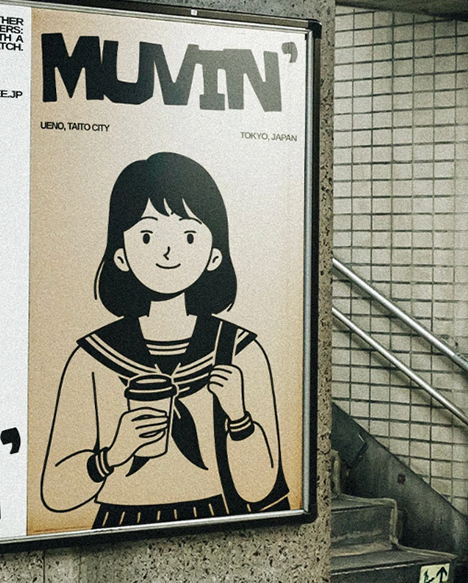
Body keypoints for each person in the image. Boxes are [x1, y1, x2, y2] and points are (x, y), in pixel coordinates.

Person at [40, 152, 285, 526]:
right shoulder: (93, 358)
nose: (168, 251)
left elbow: (259, 488)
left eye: (189, 235)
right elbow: (55, 493)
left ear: (214, 256)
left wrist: (239, 418)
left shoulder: (239, 351)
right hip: (117, 523)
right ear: (121, 256)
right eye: (147, 235)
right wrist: (113, 454)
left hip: (215, 520)